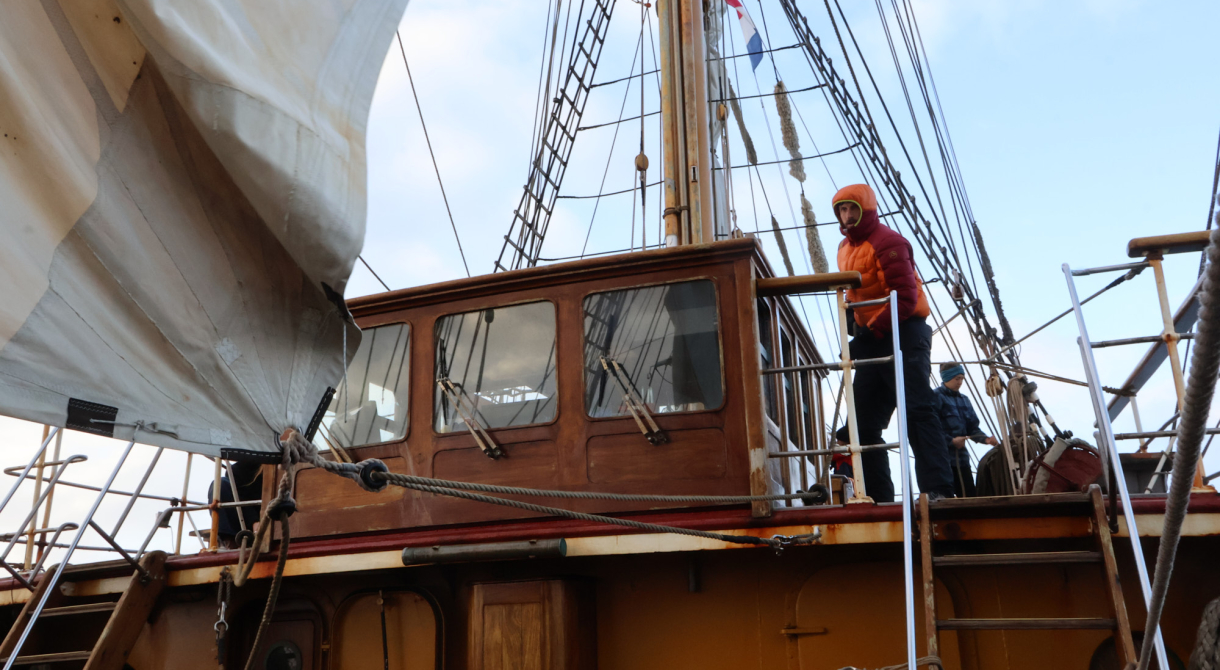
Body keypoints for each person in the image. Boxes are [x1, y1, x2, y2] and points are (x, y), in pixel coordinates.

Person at [831, 183, 955, 502]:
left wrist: (867, 334)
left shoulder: (889, 242)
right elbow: (853, 295)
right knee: (861, 424)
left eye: (852, 209)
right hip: (873, 335)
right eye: (842, 210)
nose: (846, 216)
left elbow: (905, 299)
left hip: (906, 332)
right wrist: (853, 327)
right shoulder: (843, 249)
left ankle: (938, 489)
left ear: (866, 210)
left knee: (917, 409)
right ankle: (879, 497)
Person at [935, 362, 999, 498]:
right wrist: (951, 441)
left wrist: (986, 439)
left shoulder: (965, 400)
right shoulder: (935, 398)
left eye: (962, 379)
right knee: (944, 498)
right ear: (946, 378)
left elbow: (972, 428)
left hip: (961, 459)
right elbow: (931, 429)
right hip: (941, 460)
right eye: (957, 378)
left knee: (969, 495)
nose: (960, 382)